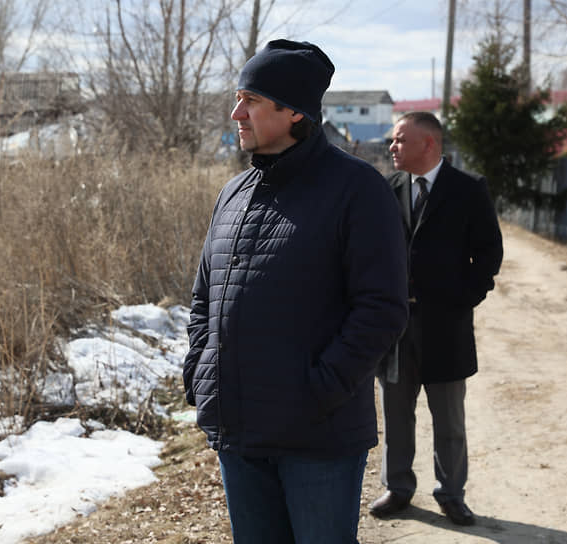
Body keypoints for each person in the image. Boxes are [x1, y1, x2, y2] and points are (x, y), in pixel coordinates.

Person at [182, 39, 408, 544]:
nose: (236, 112)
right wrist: (201, 370)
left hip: (317, 438)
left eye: (252, 100)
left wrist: (320, 388)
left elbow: (382, 309)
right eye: (238, 98)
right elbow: (204, 298)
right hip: (239, 432)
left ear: (294, 113)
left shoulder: (357, 189)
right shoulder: (233, 194)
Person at [369, 111, 504, 526]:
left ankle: (451, 493)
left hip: (446, 327)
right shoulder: (385, 190)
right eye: (392, 141)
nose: (392, 147)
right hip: (395, 327)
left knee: (449, 418)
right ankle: (398, 488)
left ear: (428, 143)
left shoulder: (467, 190)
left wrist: (463, 299)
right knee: (396, 413)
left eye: (399, 140)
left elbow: (488, 254)